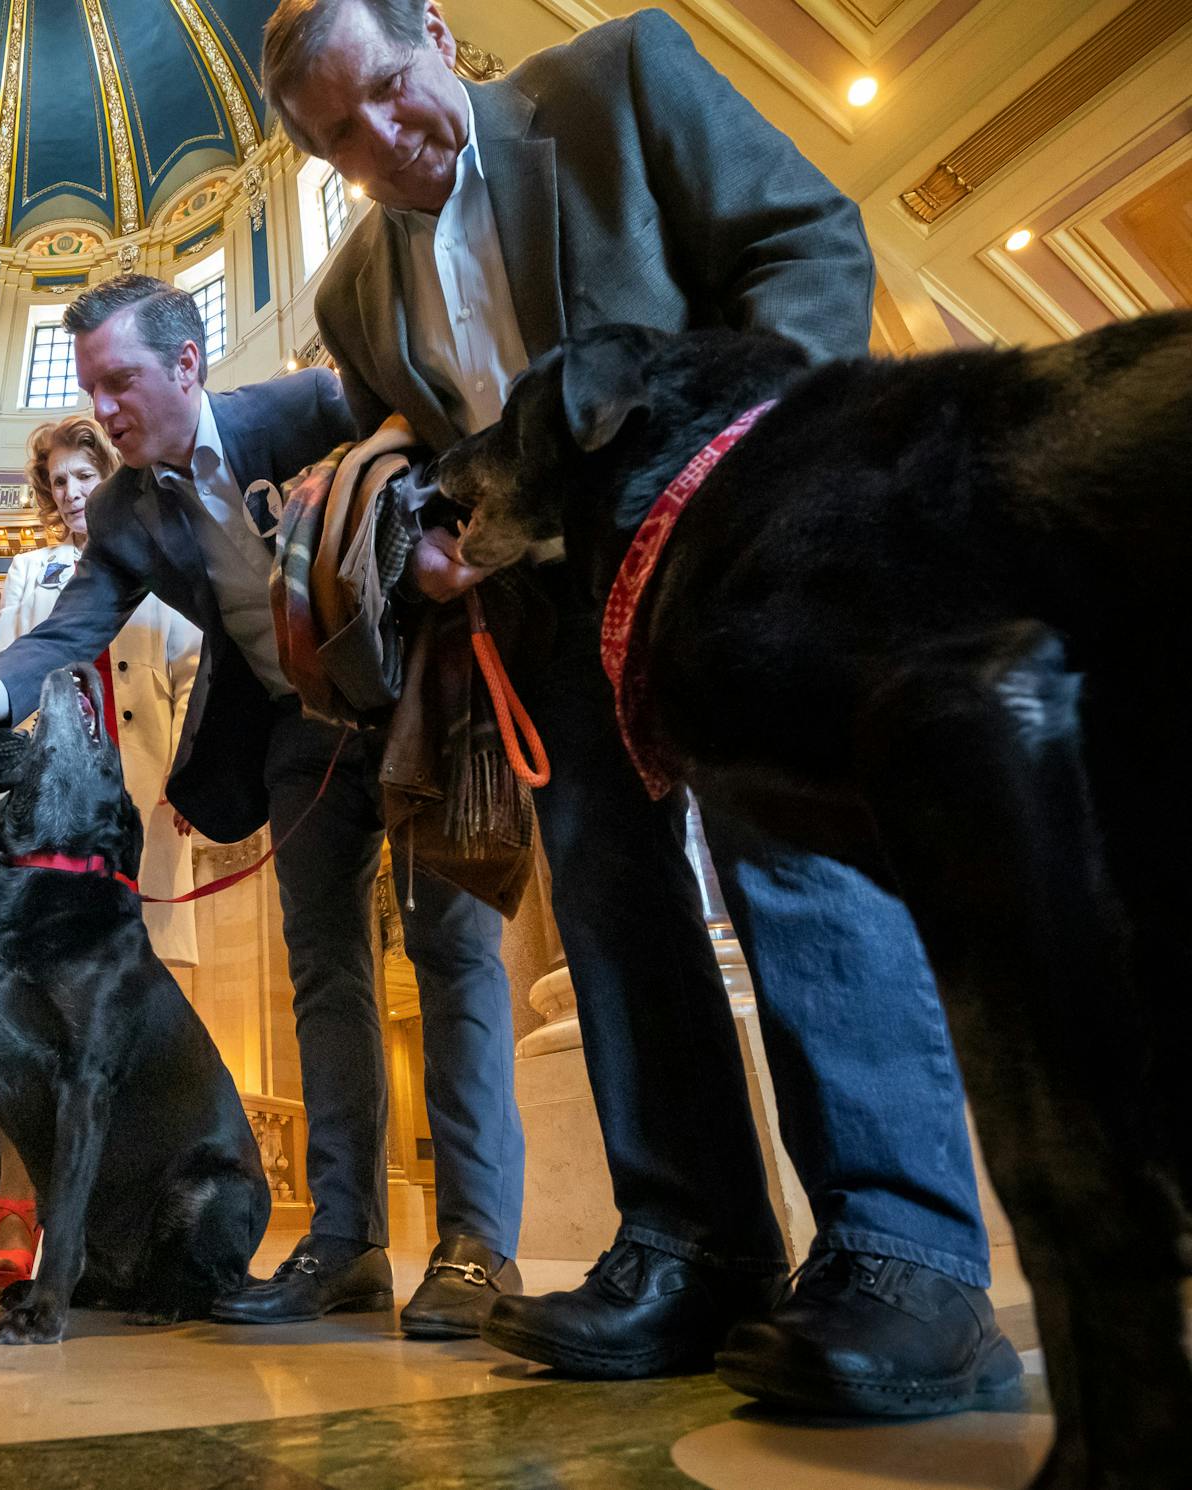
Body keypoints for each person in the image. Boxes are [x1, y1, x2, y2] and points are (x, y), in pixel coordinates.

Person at [267, 0, 1014, 1415]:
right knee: (610, 909)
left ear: (435, 29)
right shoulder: (351, 293)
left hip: (731, 549)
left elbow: (805, 239)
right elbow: (423, 443)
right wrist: (430, 531)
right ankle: (695, 1245)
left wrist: (758, 466)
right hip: (546, 613)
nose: (378, 146)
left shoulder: (619, 79)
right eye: (334, 141)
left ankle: (906, 1262)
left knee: (792, 862)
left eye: (384, 95)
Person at [0, 273, 527, 1337]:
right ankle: (347, 1242)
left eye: (119, 380)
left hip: (422, 699)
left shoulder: (308, 410)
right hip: (295, 735)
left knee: (451, 952)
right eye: (89, 387)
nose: (102, 407)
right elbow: (74, 627)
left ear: (187, 364)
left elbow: (438, 453)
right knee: (326, 975)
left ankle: (474, 1243)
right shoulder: (124, 506)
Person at [0, 416, 207, 1297]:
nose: (71, 495)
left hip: (142, 810)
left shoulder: (163, 556)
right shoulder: (29, 574)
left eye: (84, 477)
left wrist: (189, 777)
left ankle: (120, 1210)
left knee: (136, 1011)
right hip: (48, 819)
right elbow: (11, 684)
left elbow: (189, 676)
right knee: (28, 1013)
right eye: (59, 482)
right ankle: (15, 1207)